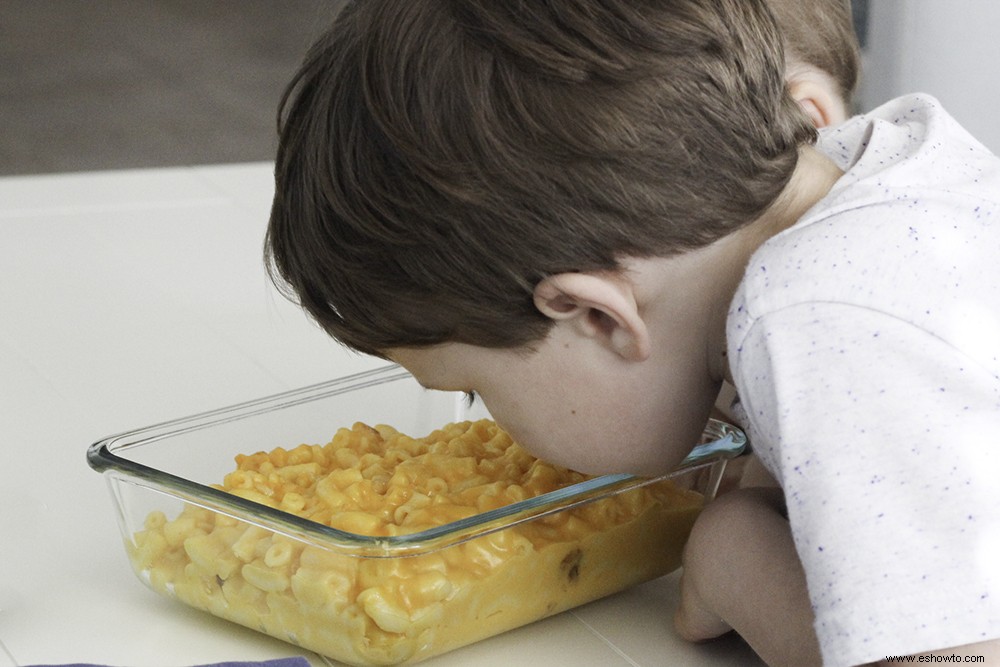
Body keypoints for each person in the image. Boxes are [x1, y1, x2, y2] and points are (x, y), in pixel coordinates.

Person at [264, 1, 1000, 665]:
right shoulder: (890, 162)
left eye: (477, 389)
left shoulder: (816, 318)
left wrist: (734, 560)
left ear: (597, 316)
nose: (496, 426)